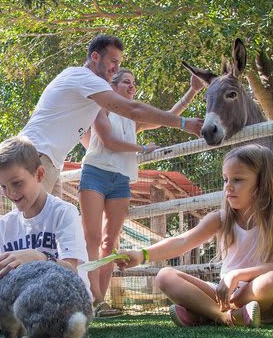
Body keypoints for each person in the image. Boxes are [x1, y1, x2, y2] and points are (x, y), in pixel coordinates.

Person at [114, 144, 273, 327]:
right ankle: (223, 316)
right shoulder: (221, 218)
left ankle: (203, 313)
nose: (228, 187)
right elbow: (182, 241)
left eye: (238, 179)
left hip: (263, 298)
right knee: (164, 276)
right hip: (225, 295)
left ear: (262, 183)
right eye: (225, 179)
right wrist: (141, 255)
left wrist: (236, 275)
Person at [79, 69, 205, 317]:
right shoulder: (100, 107)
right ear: (113, 87)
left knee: (109, 242)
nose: (131, 86)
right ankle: (92, 299)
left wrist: (193, 90)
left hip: (121, 180)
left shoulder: (133, 120)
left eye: (134, 83)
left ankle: (101, 303)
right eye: (126, 81)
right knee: (91, 239)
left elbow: (169, 116)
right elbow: (108, 141)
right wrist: (142, 148)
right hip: (95, 173)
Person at [19, 34, 204, 196]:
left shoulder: (92, 98)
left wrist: (192, 92)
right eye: (113, 62)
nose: (116, 68)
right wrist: (180, 125)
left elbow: (150, 115)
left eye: (119, 63)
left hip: (51, 162)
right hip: (39, 155)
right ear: (95, 57)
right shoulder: (87, 80)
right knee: (31, 229)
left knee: (50, 231)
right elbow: (131, 113)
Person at [0, 136, 90, 329]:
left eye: (17, 183)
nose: (10, 193)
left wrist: (40, 258)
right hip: (22, 300)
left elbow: (72, 271)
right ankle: (4, 322)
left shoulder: (64, 213)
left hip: (64, 299)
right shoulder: (7, 223)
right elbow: (0, 276)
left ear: (40, 175)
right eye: (3, 186)